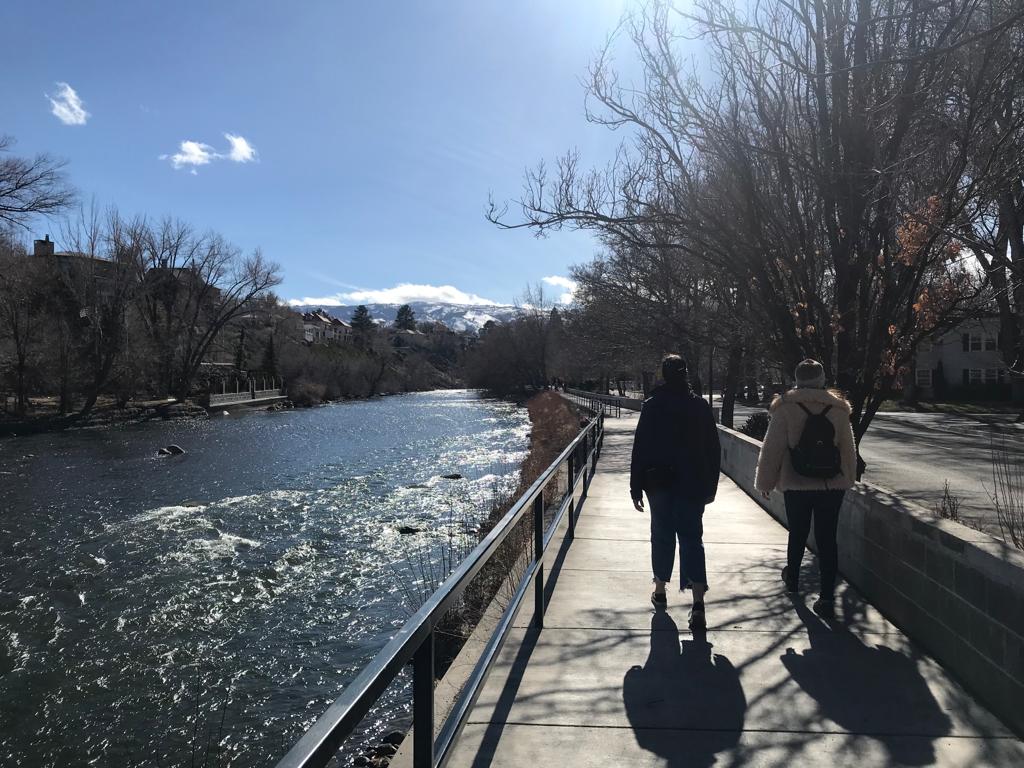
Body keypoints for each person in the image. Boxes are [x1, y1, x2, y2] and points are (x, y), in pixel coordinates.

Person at [754, 359, 857, 617]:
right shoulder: (839, 409)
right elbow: (848, 450)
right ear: (822, 379)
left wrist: (765, 482)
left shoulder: (785, 408)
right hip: (831, 485)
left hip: (796, 483)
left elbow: (772, 448)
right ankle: (826, 597)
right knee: (827, 539)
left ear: (797, 379)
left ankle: (793, 580)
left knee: (797, 533)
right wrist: (848, 479)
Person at [630, 354, 721, 628]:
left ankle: (660, 591)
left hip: (659, 483)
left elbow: (640, 449)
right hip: (693, 483)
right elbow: (713, 450)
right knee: (693, 539)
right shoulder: (700, 407)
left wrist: (636, 487)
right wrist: (711, 486)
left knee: (661, 535)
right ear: (686, 373)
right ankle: (697, 603)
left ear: (664, 374)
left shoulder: (652, 406)